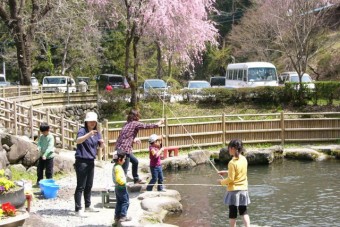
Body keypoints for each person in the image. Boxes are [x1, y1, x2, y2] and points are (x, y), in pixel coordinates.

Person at [115, 109, 163, 184]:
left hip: (119, 148)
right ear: (135, 116)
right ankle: (121, 187)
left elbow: (123, 137)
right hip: (125, 150)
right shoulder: (134, 123)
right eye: (138, 115)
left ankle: (136, 179)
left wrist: (133, 140)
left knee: (135, 162)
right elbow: (146, 126)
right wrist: (158, 123)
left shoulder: (126, 124)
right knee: (124, 170)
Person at [74, 112, 105, 217]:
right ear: (86, 122)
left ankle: (87, 206)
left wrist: (102, 143)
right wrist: (88, 135)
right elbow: (78, 141)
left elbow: (101, 147)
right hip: (81, 161)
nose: (92, 123)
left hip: (91, 161)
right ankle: (78, 208)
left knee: (89, 185)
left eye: (94, 121)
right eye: (90, 121)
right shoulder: (82, 130)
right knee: (80, 186)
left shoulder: (97, 133)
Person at [218, 139, 251, 227]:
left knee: (232, 213)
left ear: (233, 148)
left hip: (233, 191)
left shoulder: (232, 163)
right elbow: (239, 172)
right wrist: (226, 172)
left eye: (229, 148)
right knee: (244, 211)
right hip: (243, 189)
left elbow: (231, 179)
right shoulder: (244, 159)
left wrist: (221, 182)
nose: (228, 150)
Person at [112, 150, 131, 222]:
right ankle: (123, 216)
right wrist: (125, 183)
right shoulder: (118, 168)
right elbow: (119, 178)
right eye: (124, 159)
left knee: (119, 202)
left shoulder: (115, 166)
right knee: (125, 202)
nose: (125, 160)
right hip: (121, 187)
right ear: (120, 159)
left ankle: (117, 216)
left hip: (117, 188)